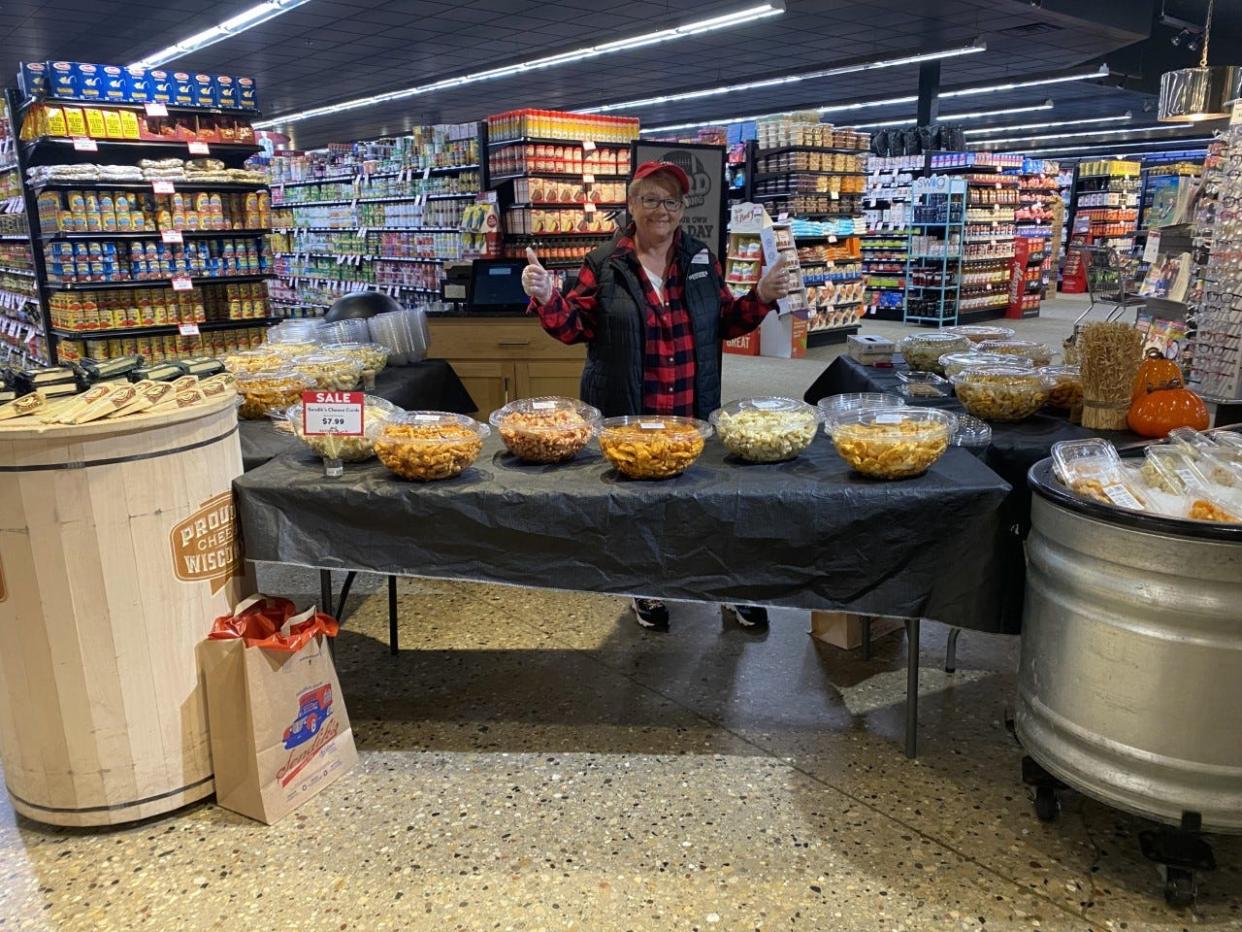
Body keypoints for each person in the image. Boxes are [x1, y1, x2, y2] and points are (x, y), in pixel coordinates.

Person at [521, 160, 793, 632]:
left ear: (683, 208)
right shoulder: (603, 263)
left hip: (691, 403)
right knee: (637, 505)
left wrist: (762, 295)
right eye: (650, 199)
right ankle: (644, 585)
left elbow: (727, 321)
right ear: (631, 204)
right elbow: (575, 328)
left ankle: (723, 586)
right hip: (630, 411)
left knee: (704, 500)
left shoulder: (702, 259)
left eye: (671, 201)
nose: (661, 210)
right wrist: (548, 297)